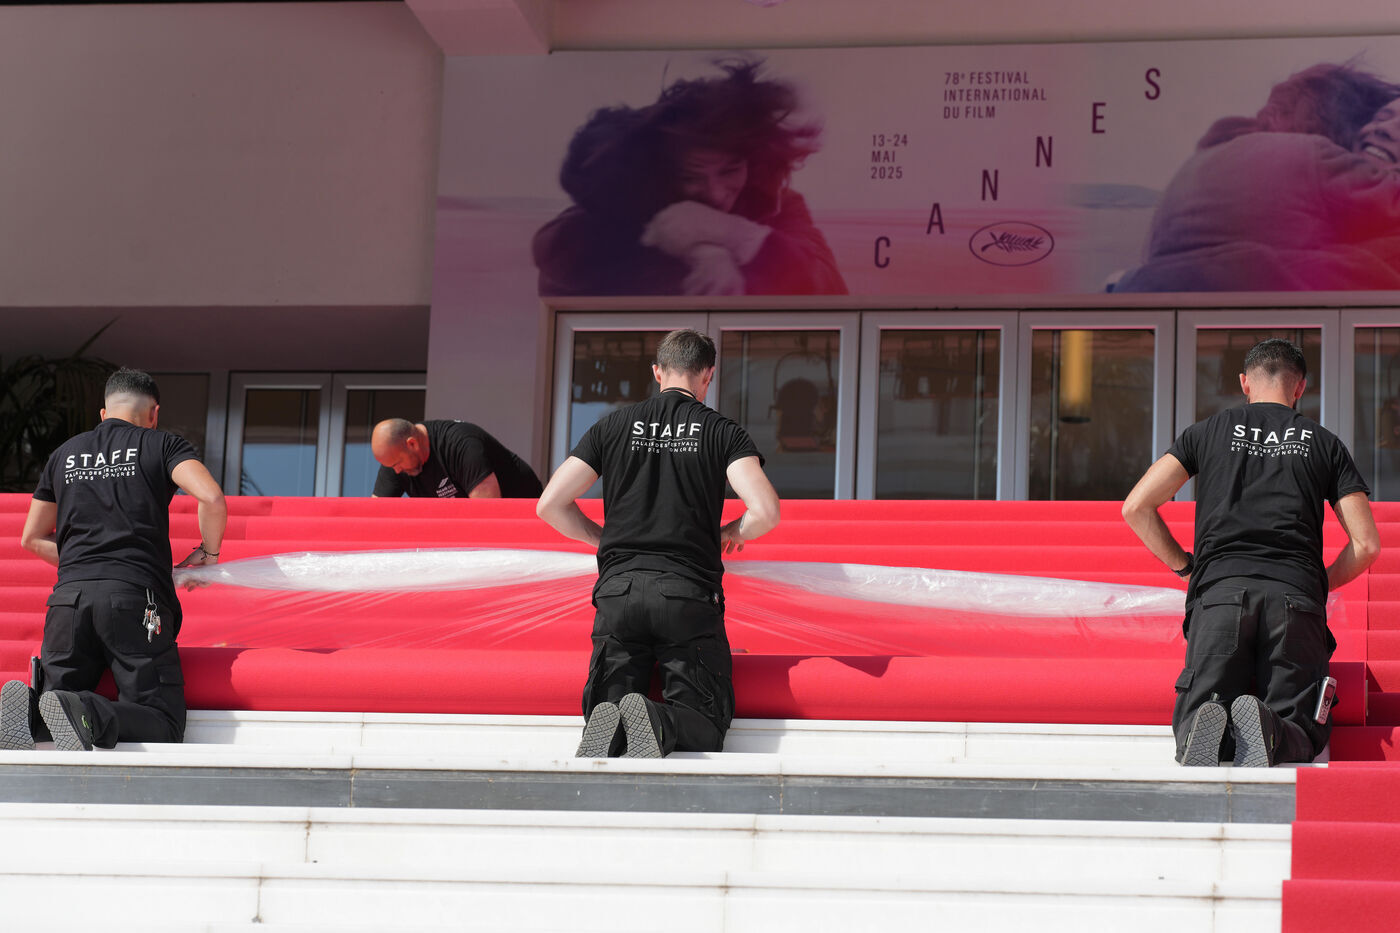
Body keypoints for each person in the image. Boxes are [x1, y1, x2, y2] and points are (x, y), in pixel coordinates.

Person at [1122, 339, 1380, 766]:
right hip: (1294, 596)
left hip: (1220, 593)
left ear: (1245, 383)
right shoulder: (1324, 443)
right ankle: (1273, 728)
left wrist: (1187, 568)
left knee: (1199, 716)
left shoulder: (1207, 431)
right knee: (1302, 726)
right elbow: (1367, 544)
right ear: (1300, 388)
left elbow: (1136, 507)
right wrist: (1317, 583)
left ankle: (1208, 726)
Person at [536, 329, 780, 758]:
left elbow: (550, 504)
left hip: (618, 591)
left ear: (657, 372)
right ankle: (657, 719)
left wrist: (602, 538)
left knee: (606, 716)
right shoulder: (722, 431)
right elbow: (766, 511)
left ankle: (614, 722)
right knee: (705, 720)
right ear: (708, 375)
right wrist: (732, 532)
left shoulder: (612, 425)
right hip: (686, 592)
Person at [2, 368, 226, 752]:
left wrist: (84, 559)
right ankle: (87, 710)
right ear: (153, 413)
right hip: (133, 597)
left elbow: (31, 538)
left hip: (67, 601)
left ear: (103, 413)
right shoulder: (162, 444)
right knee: (163, 720)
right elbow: (211, 497)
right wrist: (209, 552)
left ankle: (32, 714)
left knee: (56, 708)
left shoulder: (64, 454)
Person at [532, 59, 847, 297]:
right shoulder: (631, 199)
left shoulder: (780, 204)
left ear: (752, 162)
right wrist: (700, 253)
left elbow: (830, 289)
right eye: (691, 176)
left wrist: (733, 235)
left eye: (730, 170)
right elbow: (556, 251)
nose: (715, 193)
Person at [1116, 63, 1400, 293]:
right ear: (1342, 125)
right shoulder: (1315, 157)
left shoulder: (1196, 166)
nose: (1385, 128)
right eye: (1380, 116)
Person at [370, 418, 542, 499]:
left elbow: (487, 513)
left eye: (397, 464)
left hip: (526, 513)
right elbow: (376, 515)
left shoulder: (461, 444)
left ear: (412, 444)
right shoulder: (395, 458)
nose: (396, 471)